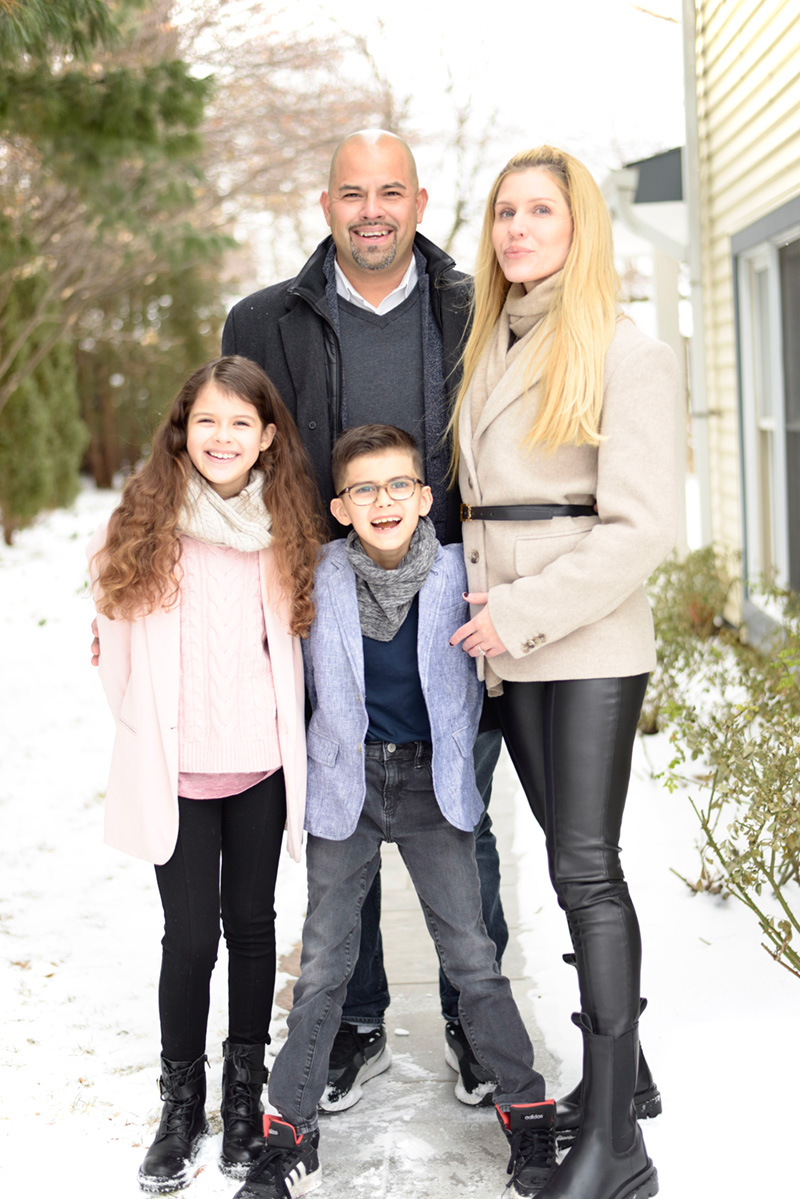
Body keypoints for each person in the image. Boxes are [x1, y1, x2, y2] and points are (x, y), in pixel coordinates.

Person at [221, 128, 506, 1110]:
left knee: (459, 817)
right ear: (326, 204)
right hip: (325, 614)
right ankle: (356, 1021)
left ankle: (479, 1020)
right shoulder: (265, 321)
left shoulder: (474, 309)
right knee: (347, 814)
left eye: (390, 191)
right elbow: (231, 474)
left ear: (419, 202)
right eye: (353, 192)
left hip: (448, 613)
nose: (371, 209)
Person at [232, 424, 555, 1199]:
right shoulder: (314, 577)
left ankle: (528, 1110)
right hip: (345, 786)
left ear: (425, 497)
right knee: (323, 965)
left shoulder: (457, 573)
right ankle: (288, 1133)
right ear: (340, 506)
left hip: (431, 787)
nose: (384, 501)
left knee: (472, 955)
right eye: (364, 489)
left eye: (399, 485)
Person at [449, 146, 677, 1199]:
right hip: (512, 642)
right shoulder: (490, 339)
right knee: (561, 859)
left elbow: (640, 529)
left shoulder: (621, 350)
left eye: (538, 209)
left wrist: (520, 613)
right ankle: (616, 1080)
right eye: (503, 212)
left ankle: (616, 1149)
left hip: (575, 637)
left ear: (579, 225)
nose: (516, 228)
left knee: (585, 866)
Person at [88, 356, 325, 1193]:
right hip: (178, 772)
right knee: (189, 941)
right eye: (207, 421)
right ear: (183, 432)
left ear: (266, 439)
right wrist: (153, 733)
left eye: (240, 424)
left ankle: (241, 1090)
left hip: (259, 766)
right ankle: (181, 1101)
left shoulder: (285, 531)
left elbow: (291, 650)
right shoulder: (145, 528)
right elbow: (116, 658)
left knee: (253, 929)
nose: (222, 437)